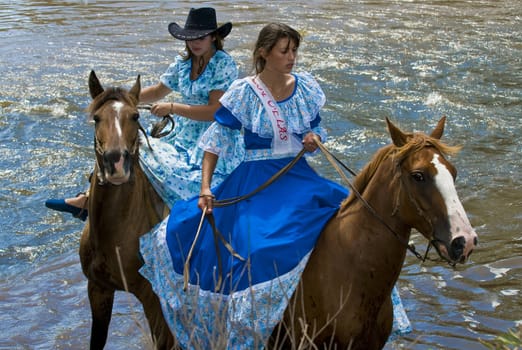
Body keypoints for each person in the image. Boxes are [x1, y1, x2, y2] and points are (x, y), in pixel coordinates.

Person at [139, 23, 410, 349]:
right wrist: (206, 188)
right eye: (285, 51)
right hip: (256, 180)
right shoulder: (243, 92)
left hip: (299, 176)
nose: (292, 57)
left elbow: (317, 128)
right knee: (259, 249)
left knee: (354, 219)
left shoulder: (306, 87)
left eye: (294, 50)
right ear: (264, 53)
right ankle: (252, 328)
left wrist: (314, 138)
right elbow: (214, 144)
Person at [45, 7, 244, 219]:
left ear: (214, 37)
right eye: (189, 38)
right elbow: (159, 90)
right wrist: (120, 101)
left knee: (179, 172)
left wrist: (172, 108)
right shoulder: (184, 63)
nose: (194, 43)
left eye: (201, 37)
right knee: (126, 144)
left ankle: (164, 216)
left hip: (210, 136)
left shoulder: (223, 64)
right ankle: (87, 197)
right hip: (183, 131)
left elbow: (214, 112)